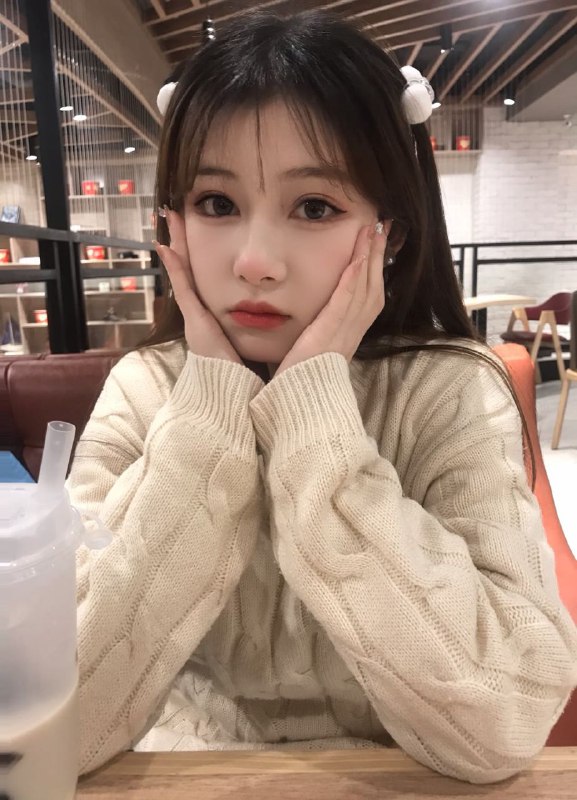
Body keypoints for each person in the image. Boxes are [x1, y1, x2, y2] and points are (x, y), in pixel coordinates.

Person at [69, 9, 577, 784]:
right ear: (171, 221)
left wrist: (316, 427)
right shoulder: (143, 391)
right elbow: (59, 724)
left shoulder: (446, 391)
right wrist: (207, 413)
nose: (254, 261)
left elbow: (503, 725)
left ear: (390, 232)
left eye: (314, 207)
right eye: (215, 203)